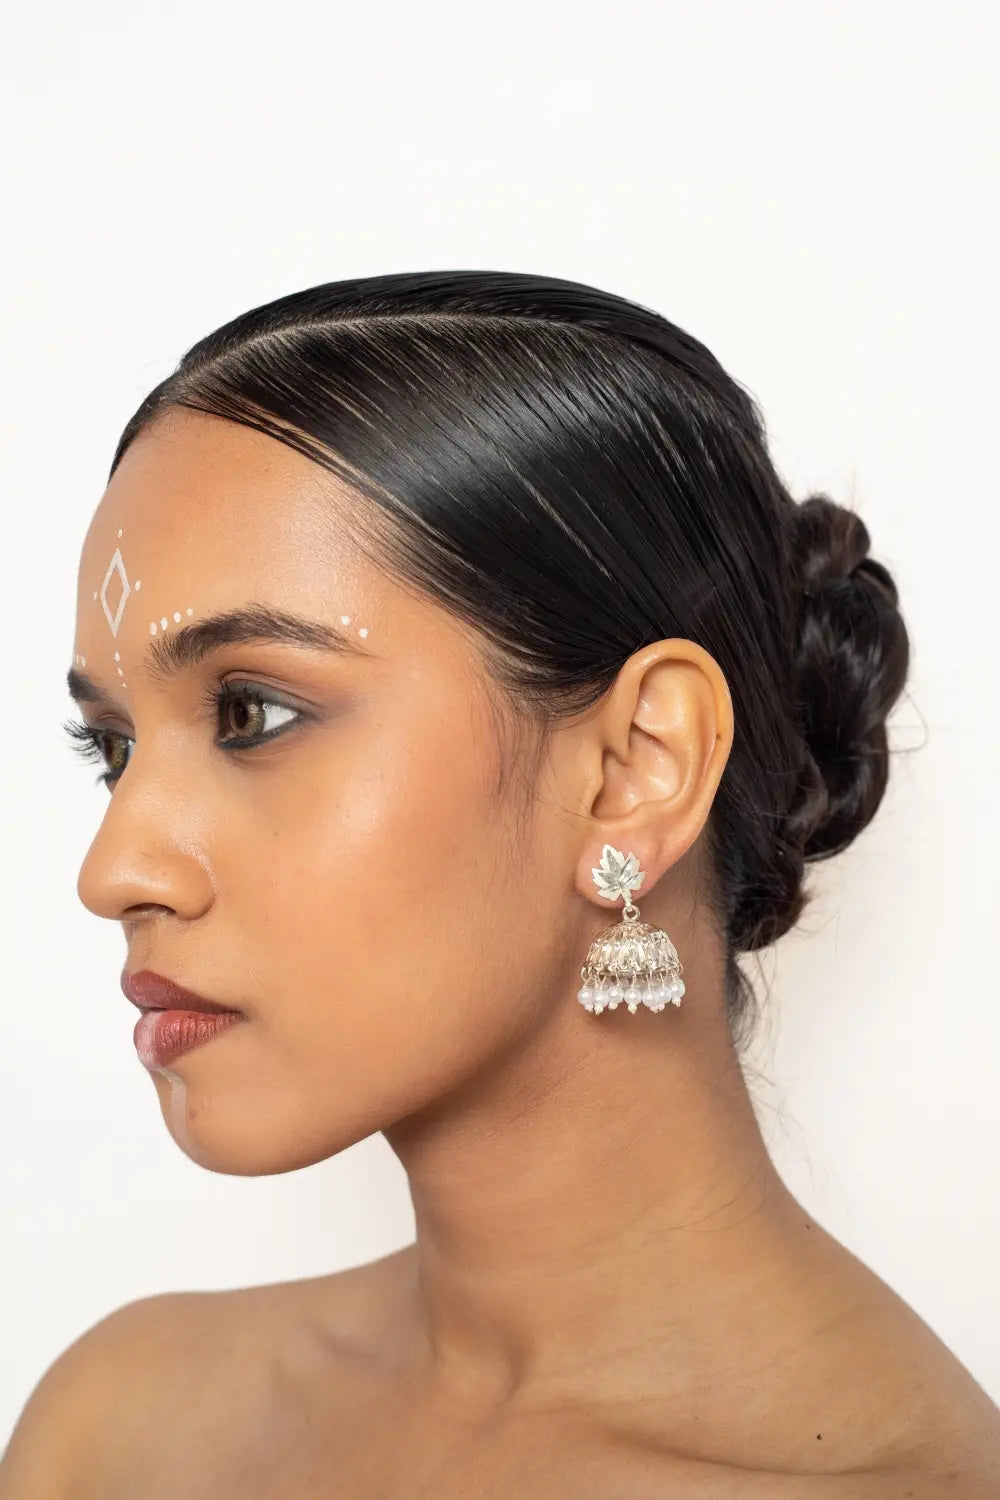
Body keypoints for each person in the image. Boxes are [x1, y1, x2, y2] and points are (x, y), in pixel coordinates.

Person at [2, 271, 997, 1497]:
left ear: (636, 769)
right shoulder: (119, 1432)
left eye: (251, 713)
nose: (114, 872)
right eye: (113, 748)